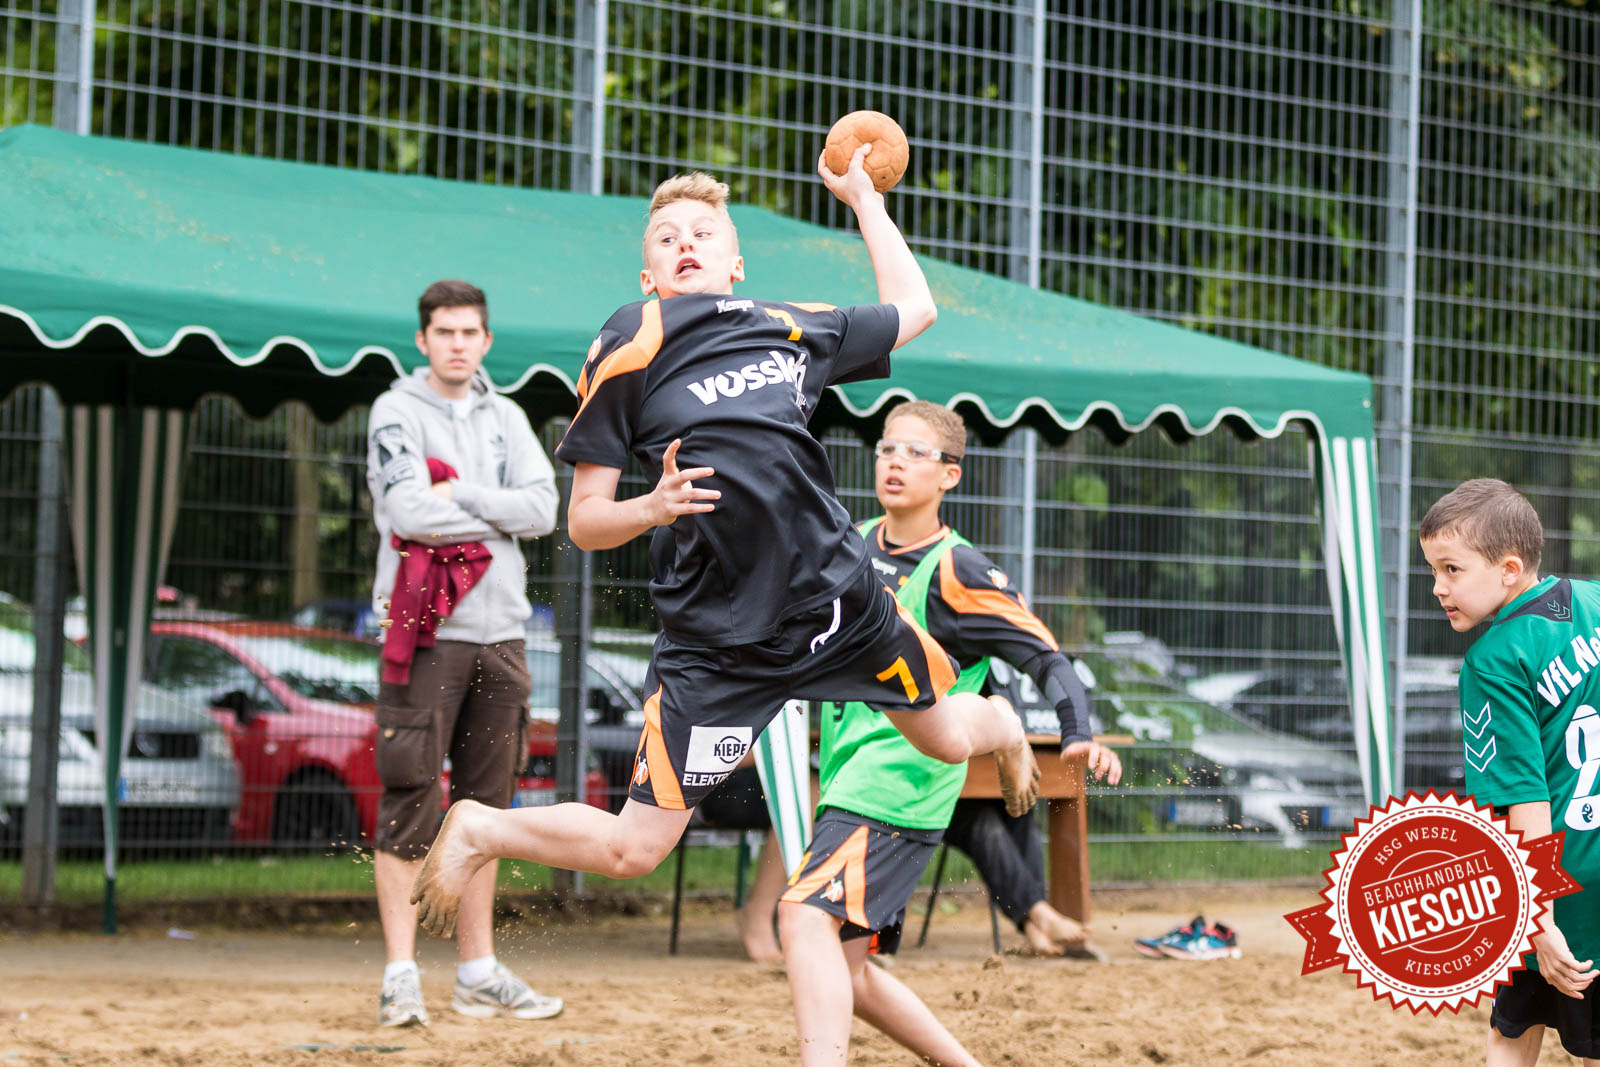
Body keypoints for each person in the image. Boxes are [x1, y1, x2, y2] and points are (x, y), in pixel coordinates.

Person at [408, 152, 1039, 943]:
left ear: (735, 262)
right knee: (635, 847)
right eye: (666, 236)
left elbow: (915, 307)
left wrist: (865, 201)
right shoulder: (632, 339)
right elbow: (584, 520)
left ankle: (1004, 726)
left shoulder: (787, 323)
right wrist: (654, 504)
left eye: (704, 231)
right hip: (721, 646)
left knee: (948, 737)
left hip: (835, 602)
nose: (685, 242)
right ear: (650, 277)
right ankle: (477, 826)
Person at [775, 400, 1122, 1064]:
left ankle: (1004, 728)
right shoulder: (850, 543)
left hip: (901, 782)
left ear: (950, 476)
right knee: (847, 972)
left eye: (915, 452)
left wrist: (1077, 729)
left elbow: (1046, 655)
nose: (895, 461)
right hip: (850, 774)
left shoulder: (959, 570)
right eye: (886, 449)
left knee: (801, 917)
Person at [366, 279, 563, 1027]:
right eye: (443, 331)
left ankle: (478, 973)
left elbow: (544, 509)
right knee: (410, 798)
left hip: (502, 635)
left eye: (469, 331)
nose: (456, 343)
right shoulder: (395, 410)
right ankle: (400, 974)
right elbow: (405, 507)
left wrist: (463, 496)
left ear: (485, 339)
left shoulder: (507, 415)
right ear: (422, 339)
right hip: (423, 633)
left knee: (487, 809)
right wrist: (493, 509)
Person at [1419, 478, 1599, 1066]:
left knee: (1513, 1032)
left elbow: (1525, 801)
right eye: (1434, 570)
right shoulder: (1595, 601)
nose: (1438, 587)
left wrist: (1538, 921)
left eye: (1451, 569)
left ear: (1509, 568)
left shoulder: (1493, 660)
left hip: (1557, 884)